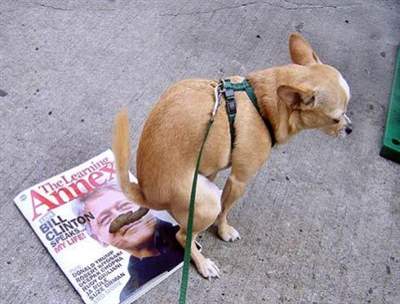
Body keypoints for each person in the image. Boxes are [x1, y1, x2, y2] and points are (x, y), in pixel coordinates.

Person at [75, 183, 183, 302]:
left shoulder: (184, 228)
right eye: (105, 219)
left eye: (124, 206)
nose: (121, 218)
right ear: (98, 239)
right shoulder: (130, 291)